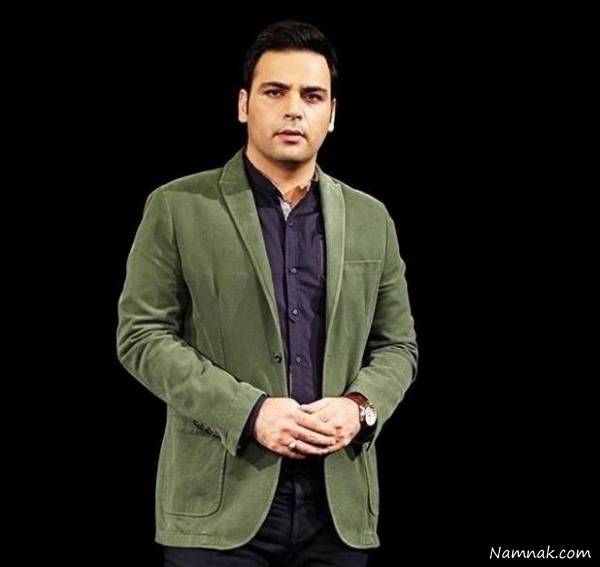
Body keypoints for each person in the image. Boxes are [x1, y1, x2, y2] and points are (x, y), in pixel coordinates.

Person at [117, 20, 418, 567]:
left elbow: (398, 346)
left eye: (312, 96)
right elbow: (142, 336)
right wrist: (248, 412)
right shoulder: (177, 206)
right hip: (216, 507)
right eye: (275, 92)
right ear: (243, 104)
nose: (294, 109)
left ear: (332, 113)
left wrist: (360, 408)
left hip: (339, 508)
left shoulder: (372, 218)